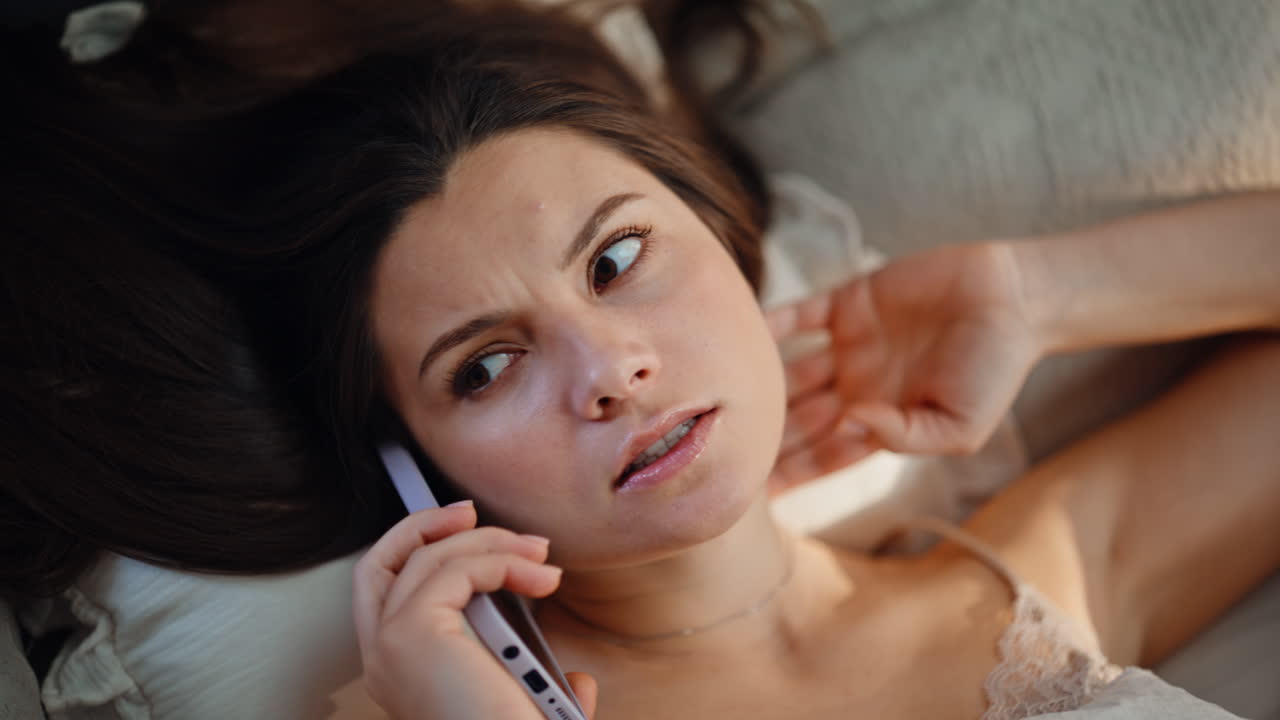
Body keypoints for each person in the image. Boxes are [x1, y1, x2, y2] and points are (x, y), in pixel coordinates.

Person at [154, 6, 1279, 719]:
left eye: (618, 257)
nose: (608, 369)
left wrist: (1039, 295)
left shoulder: (1046, 580)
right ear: (414, 463)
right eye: (484, 368)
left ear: (731, 245)